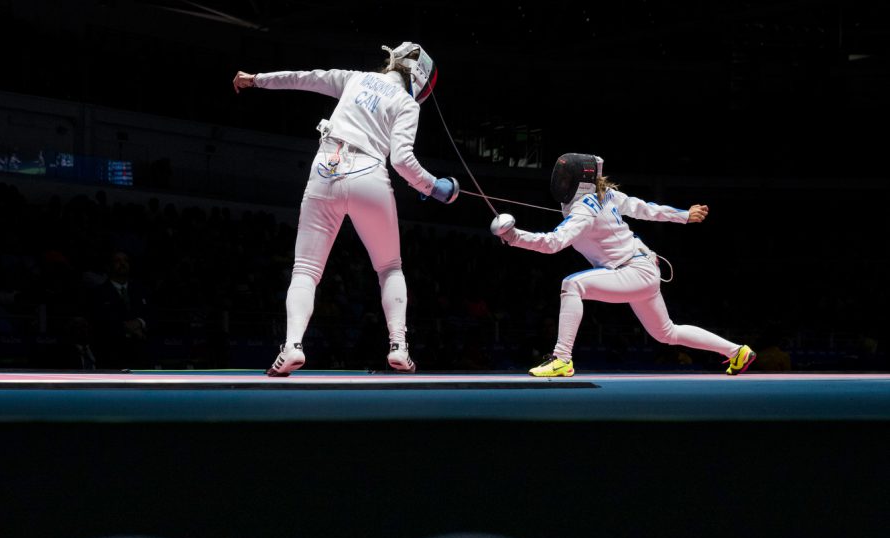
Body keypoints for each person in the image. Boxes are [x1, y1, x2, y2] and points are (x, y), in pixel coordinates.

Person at [233, 41, 460, 376]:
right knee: (390, 268)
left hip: (326, 167)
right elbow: (401, 161)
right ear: (421, 79)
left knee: (306, 270)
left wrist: (255, 79)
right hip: (369, 174)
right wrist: (435, 187)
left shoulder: (355, 79)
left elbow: (305, 78)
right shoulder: (406, 104)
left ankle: (292, 346)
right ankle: (398, 347)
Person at [490, 153, 754, 376]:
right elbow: (644, 208)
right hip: (644, 268)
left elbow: (553, 243)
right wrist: (683, 215)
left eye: (567, 178)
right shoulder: (607, 195)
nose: (562, 183)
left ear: (580, 181)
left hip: (633, 271)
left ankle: (562, 359)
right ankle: (737, 352)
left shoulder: (584, 207)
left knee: (572, 285)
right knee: (666, 332)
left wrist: (513, 237)